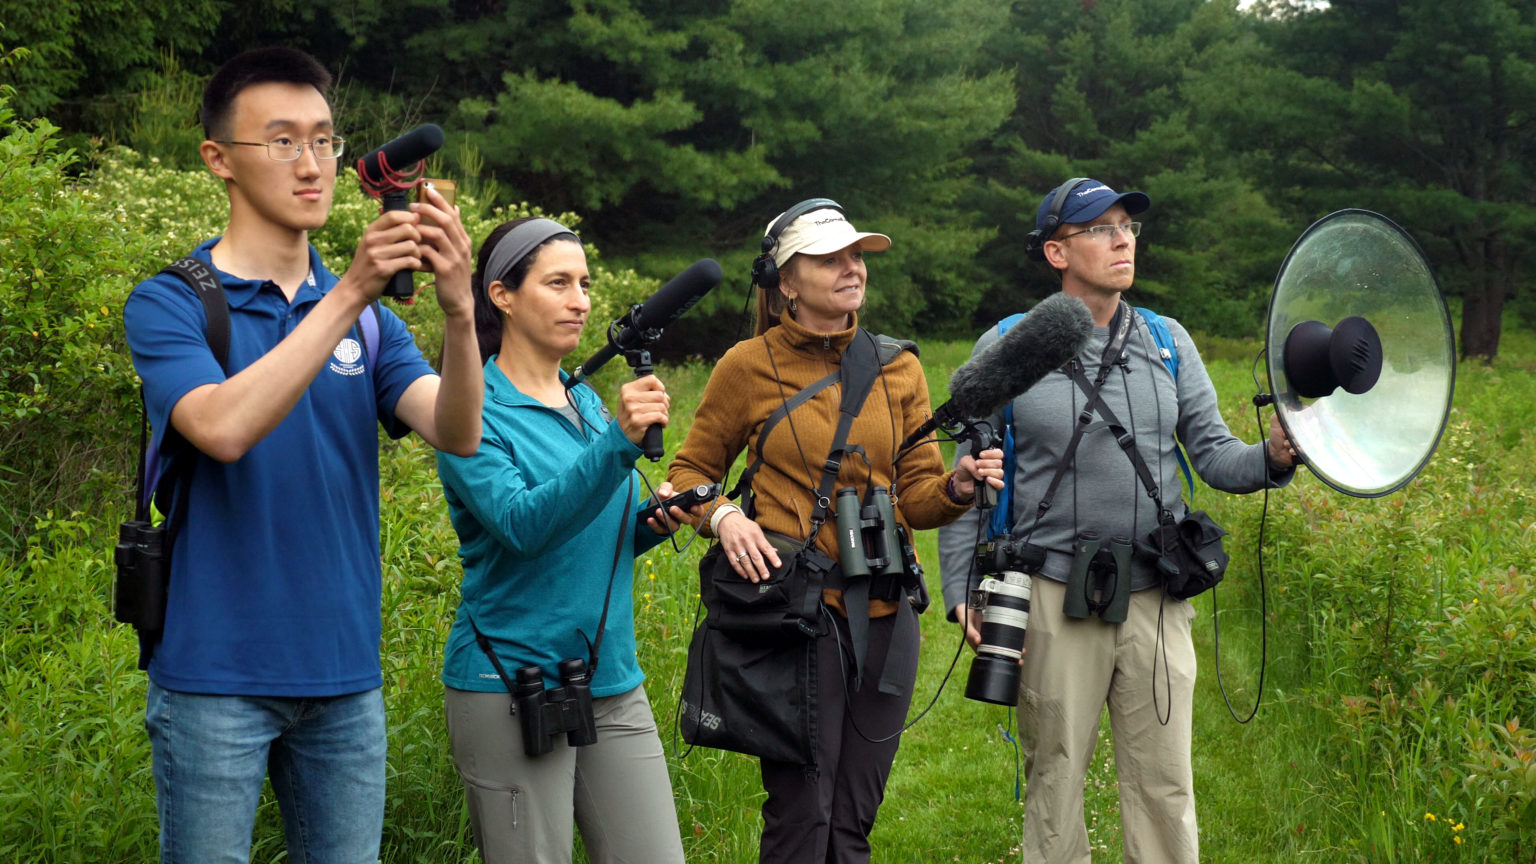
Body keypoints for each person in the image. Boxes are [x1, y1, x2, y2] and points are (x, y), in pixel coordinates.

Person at [121, 47, 483, 863]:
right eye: (281, 141)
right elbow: (221, 427)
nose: (311, 163)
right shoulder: (175, 302)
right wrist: (349, 290)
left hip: (345, 677)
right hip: (214, 675)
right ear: (219, 159)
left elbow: (456, 429)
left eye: (322, 139)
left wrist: (459, 315)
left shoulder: (371, 324)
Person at [938, 178, 1298, 864]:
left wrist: (1274, 457)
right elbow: (973, 475)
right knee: (1055, 775)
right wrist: (961, 590)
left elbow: (1217, 455)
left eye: (1127, 225)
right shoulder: (1011, 343)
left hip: (1154, 594)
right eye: (1100, 228)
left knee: (1165, 785)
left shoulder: (1167, 340)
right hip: (1049, 592)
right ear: (1056, 252)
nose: (1123, 238)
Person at [666, 200, 1004, 864]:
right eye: (830, 258)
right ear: (786, 281)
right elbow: (686, 475)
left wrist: (959, 487)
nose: (852, 268)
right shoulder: (746, 366)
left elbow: (918, 495)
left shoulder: (897, 365)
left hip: (886, 618)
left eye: (857, 256)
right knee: (802, 815)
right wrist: (725, 516)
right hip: (794, 618)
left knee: (852, 822)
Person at [435, 216, 689, 864]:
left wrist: (650, 523)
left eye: (584, 282)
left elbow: (593, 530)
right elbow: (523, 526)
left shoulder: (586, 402)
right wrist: (618, 448)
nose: (580, 300)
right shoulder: (470, 410)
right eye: (558, 283)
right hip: (510, 684)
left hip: (611, 681)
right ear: (502, 294)